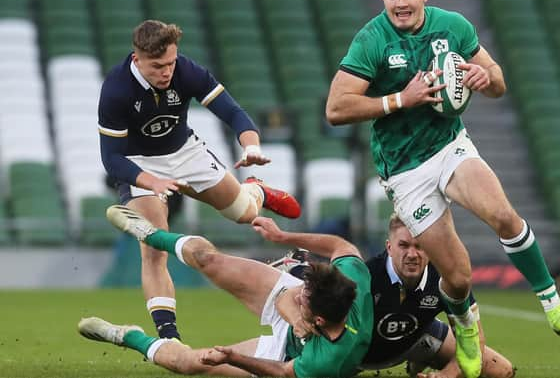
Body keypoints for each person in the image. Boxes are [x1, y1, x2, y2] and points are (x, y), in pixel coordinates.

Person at [325, 0, 560, 377]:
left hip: (449, 145)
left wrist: (482, 77)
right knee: (458, 277)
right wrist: (402, 98)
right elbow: (336, 108)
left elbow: (498, 79)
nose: (401, 3)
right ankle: (466, 329)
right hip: (404, 171)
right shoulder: (371, 40)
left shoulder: (453, 26)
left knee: (504, 216)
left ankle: (555, 307)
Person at [98, 19, 301, 341]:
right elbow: (112, 159)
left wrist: (251, 146)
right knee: (153, 243)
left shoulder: (186, 71)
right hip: (139, 165)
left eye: (170, 63)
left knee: (244, 215)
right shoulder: (116, 89)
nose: (166, 72)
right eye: (157, 66)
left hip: (185, 153)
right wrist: (152, 182)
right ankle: (169, 336)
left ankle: (256, 190)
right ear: (137, 59)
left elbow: (232, 112)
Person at [78, 205, 373, 378]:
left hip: (285, 354)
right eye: (303, 288)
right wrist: (283, 236)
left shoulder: (325, 361)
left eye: (305, 297)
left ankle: (127, 336)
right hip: (305, 322)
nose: (300, 292)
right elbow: (341, 247)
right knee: (208, 259)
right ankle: (152, 234)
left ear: (319, 321)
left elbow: (283, 372)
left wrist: (232, 357)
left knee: (191, 363)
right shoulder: (351, 284)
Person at [363, 214, 514, 378]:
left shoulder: (447, 276)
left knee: (501, 370)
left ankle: (423, 359)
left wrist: (448, 374)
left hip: (417, 339)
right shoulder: (366, 275)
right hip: (360, 354)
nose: (412, 254)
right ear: (389, 247)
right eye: (404, 245)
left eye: (419, 246)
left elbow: (473, 339)